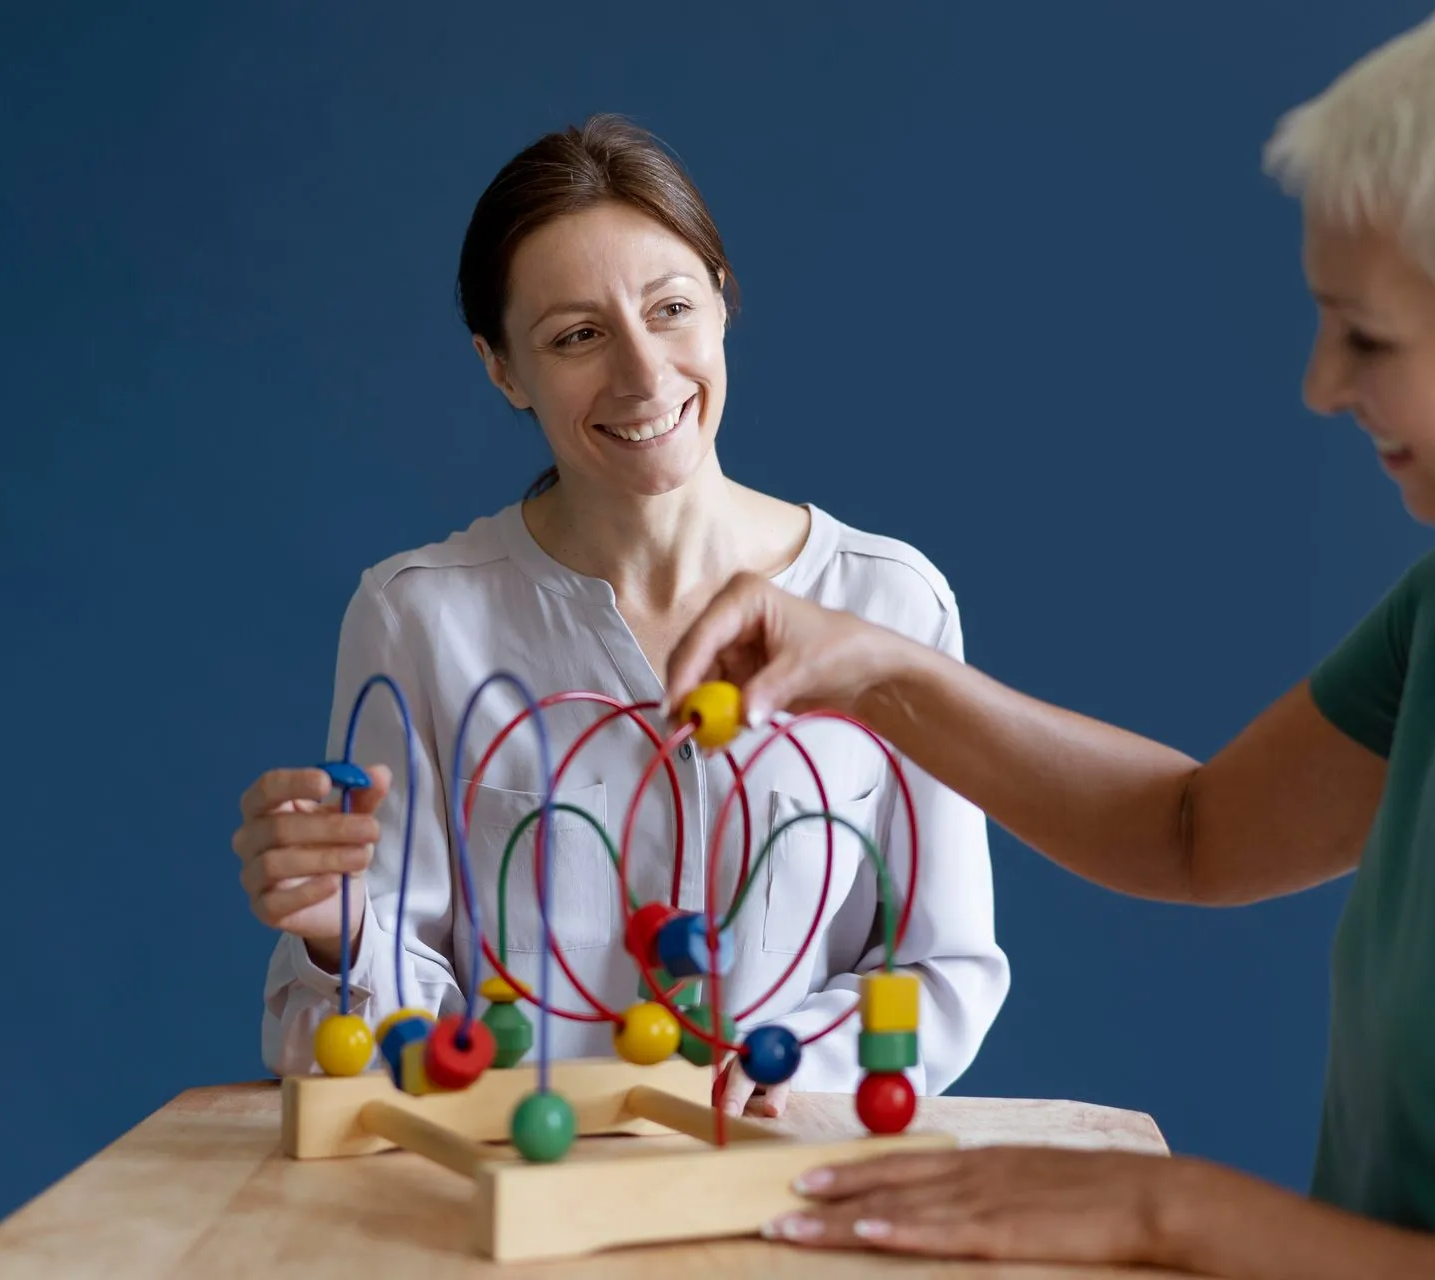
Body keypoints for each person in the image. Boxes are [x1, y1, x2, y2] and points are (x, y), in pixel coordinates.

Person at [662, 0, 1435, 1271]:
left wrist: (1169, 1209)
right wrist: (867, 666)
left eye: (1369, 335)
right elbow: (1193, 830)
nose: (1320, 382)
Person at [230, 115, 1009, 1116]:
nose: (643, 375)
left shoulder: (888, 602)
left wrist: (772, 1071)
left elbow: (942, 968)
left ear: (723, 304)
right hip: (508, 1222)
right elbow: (366, 1045)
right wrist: (336, 934)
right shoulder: (417, 617)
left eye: (671, 308)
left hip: (790, 1209)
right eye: (578, 336)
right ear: (502, 367)